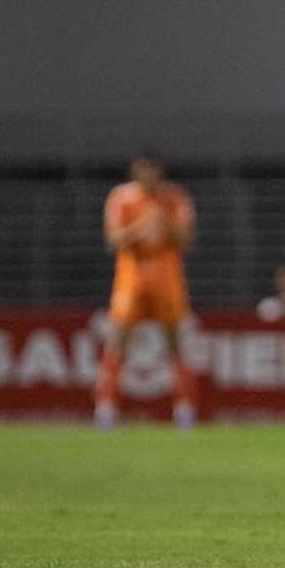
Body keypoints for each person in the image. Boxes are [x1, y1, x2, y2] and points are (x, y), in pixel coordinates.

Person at [94, 154, 197, 429]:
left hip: (168, 279)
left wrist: (163, 223)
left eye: (153, 169)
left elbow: (187, 239)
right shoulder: (122, 197)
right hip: (132, 279)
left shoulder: (174, 197)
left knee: (175, 344)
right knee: (118, 342)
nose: (148, 174)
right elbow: (113, 239)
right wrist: (142, 227)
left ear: (160, 171)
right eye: (143, 169)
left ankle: (184, 410)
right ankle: (106, 410)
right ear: (136, 171)